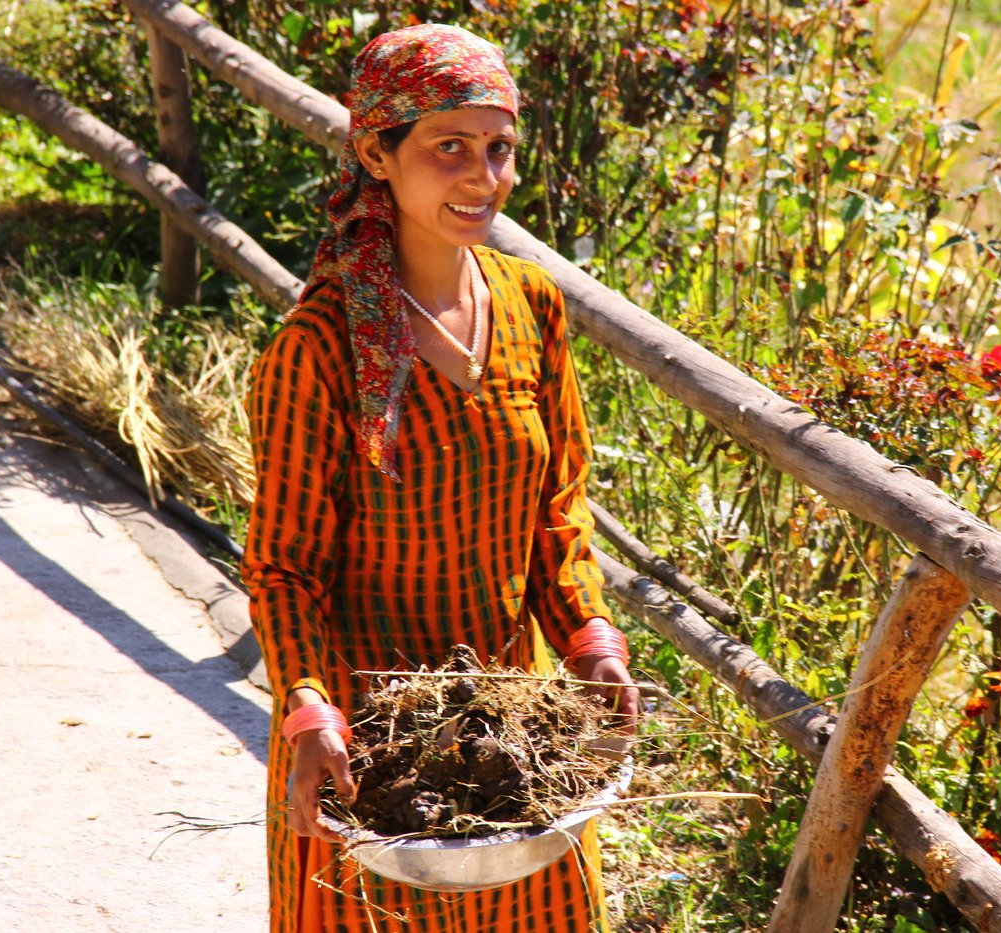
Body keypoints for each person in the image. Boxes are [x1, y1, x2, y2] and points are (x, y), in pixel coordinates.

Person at [241, 23, 639, 933]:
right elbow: (283, 570)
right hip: (369, 741)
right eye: (447, 147)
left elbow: (558, 515)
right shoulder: (320, 349)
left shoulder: (532, 306)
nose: (481, 176)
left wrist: (588, 639)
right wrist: (310, 714)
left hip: (515, 730)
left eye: (498, 149)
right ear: (377, 152)